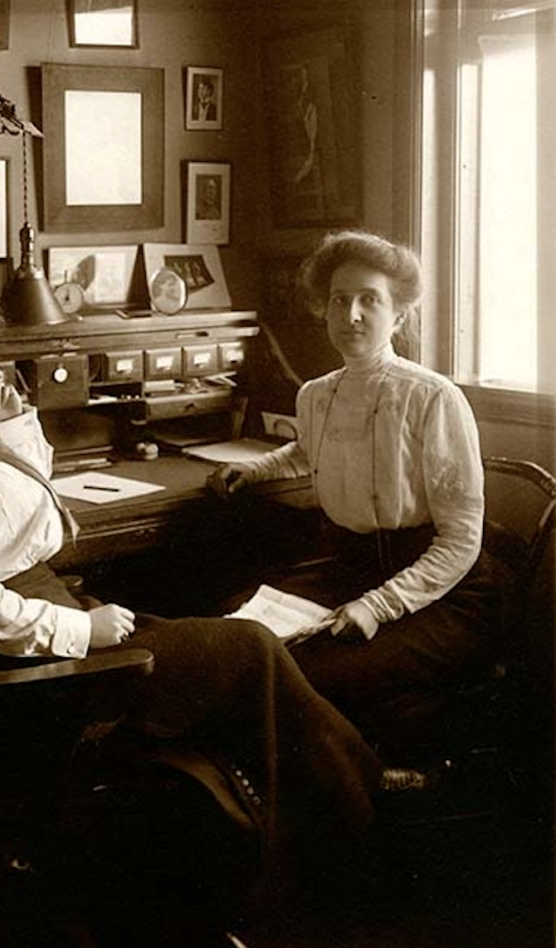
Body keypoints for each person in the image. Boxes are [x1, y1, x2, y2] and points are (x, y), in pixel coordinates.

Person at [0, 296, 431, 947]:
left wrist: (16, 416)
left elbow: (25, 502)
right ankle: (352, 817)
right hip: (46, 671)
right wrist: (83, 632)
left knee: (242, 649)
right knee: (249, 647)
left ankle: (315, 824)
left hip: (54, 621)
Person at [209, 230, 501, 763]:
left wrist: (375, 607)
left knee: (303, 671)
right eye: (340, 300)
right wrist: (252, 471)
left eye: (371, 300)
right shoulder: (316, 394)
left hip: (439, 589)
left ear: (400, 316)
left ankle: (357, 785)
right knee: (234, 633)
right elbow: (309, 451)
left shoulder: (433, 398)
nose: (352, 315)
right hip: (349, 566)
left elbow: (461, 539)